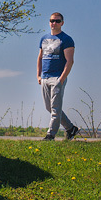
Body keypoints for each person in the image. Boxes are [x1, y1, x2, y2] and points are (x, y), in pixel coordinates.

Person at [37, 12, 79, 141]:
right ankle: (71, 128)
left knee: (55, 108)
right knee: (49, 107)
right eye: (51, 20)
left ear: (62, 23)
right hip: (45, 77)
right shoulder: (44, 38)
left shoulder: (66, 39)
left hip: (57, 77)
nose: (54, 23)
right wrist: (38, 75)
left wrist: (61, 79)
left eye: (57, 21)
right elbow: (40, 57)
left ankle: (51, 135)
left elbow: (70, 61)